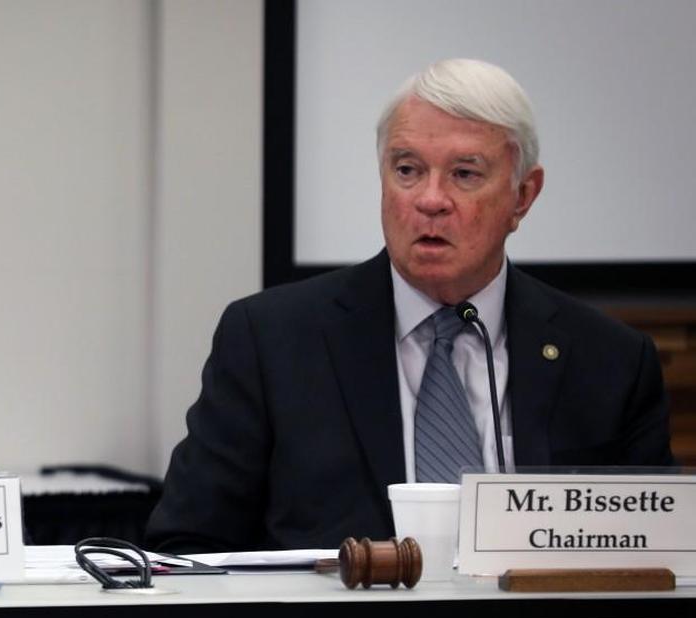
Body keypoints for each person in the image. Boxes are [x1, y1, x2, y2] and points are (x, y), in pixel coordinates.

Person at [146, 59, 673, 554]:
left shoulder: (610, 362)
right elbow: (186, 549)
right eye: (407, 170)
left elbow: (657, 558)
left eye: (464, 174)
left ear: (523, 197)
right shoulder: (270, 341)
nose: (430, 199)